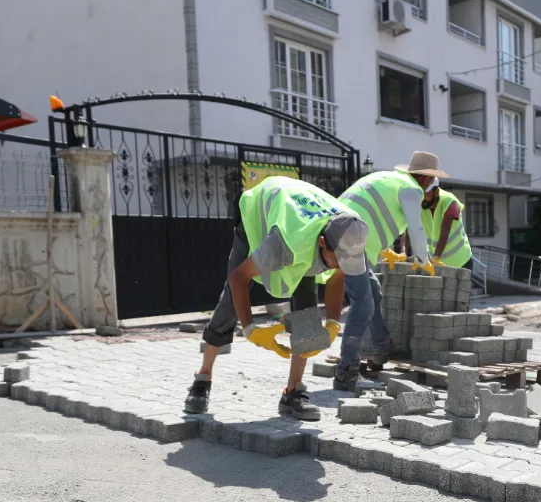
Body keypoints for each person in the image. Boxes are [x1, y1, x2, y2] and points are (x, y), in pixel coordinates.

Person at [185, 176, 369, 420]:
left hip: (301, 224)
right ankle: (202, 378)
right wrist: (250, 329)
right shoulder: (287, 243)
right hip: (258, 215)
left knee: (307, 316)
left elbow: (337, 276)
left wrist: (334, 323)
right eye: (338, 259)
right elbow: (239, 279)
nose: (341, 265)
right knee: (231, 302)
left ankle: (293, 393)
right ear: (323, 243)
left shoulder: (348, 231)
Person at [333, 151, 449, 391]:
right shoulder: (412, 189)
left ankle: (382, 347)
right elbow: (415, 226)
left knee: (373, 289)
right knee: (362, 305)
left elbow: (370, 212)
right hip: (349, 237)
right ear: (427, 179)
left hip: (340, 231)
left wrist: (385, 250)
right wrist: (423, 258)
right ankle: (347, 372)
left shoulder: (388, 179)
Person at [420, 179, 473, 270]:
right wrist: (403, 253)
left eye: (426, 194)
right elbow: (409, 227)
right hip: (437, 263)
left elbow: (445, 231)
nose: (423, 197)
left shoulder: (450, 202)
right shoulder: (421, 204)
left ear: (436, 192)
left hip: (461, 262)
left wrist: (435, 258)